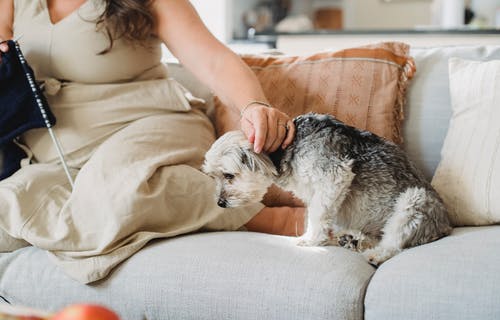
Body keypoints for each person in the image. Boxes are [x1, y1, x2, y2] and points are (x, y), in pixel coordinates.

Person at [0, 0, 304, 283]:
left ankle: (267, 219)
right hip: (60, 155)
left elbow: (213, 60)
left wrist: (253, 105)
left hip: (150, 126)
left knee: (112, 192)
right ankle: (137, 207)